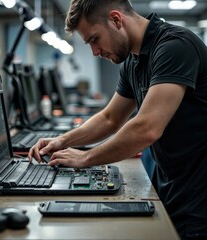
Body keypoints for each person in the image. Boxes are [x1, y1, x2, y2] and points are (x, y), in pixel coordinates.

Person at [28, 0, 207, 239]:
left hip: (199, 193)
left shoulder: (175, 47)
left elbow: (147, 128)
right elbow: (111, 118)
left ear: (116, 19)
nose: (95, 51)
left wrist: (85, 158)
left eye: (94, 39)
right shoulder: (133, 60)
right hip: (172, 182)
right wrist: (61, 140)